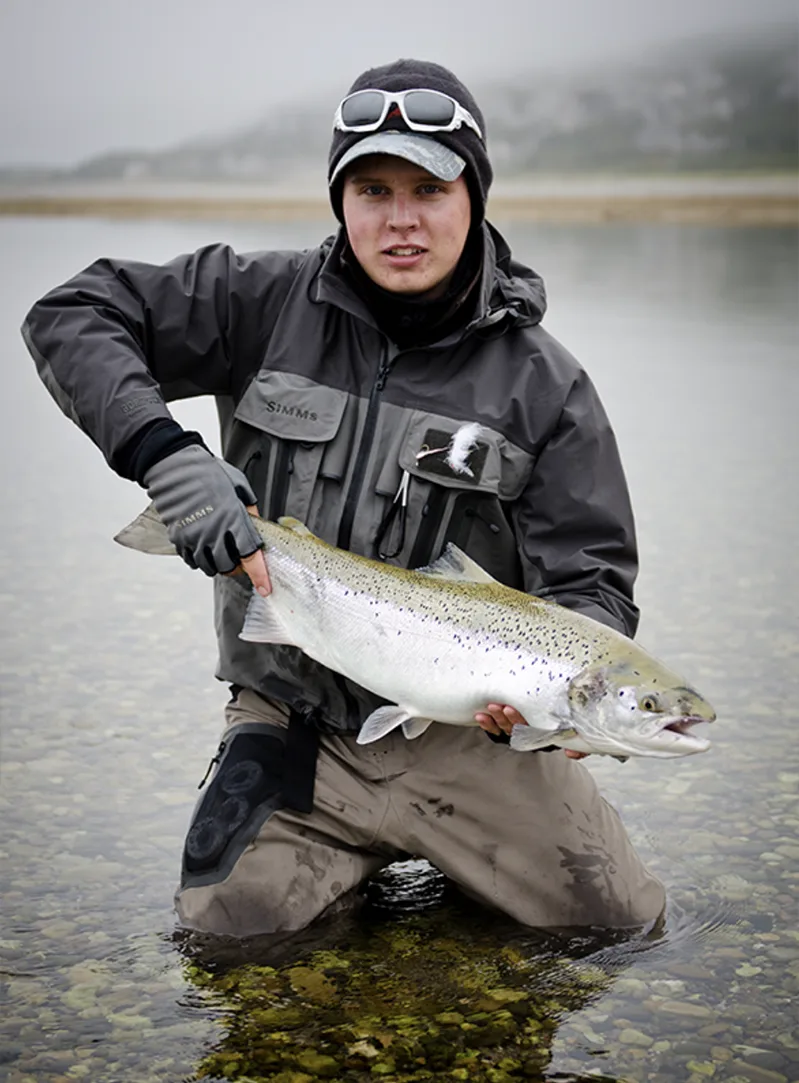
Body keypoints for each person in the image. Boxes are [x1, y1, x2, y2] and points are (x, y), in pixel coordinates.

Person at [22, 59, 665, 938]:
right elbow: (73, 313)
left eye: (429, 189)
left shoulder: (545, 387)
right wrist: (162, 452)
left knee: (618, 924)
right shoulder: (259, 302)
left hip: (464, 742)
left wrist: (545, 706)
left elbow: (590, 584)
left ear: (474, 197)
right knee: (227, 936)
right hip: (295, 722)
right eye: (372, 190)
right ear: (340, 201)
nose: (400, 219)